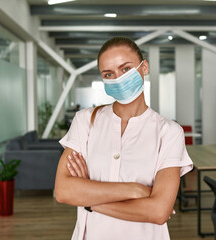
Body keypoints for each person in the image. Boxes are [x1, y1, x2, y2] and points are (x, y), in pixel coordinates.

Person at [54, 36, 193, 240]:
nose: (118, 78)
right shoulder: (85, 121)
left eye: (126, 69)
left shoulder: (169, 132)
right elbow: (64, 191)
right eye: (108, 74)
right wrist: (135, 190)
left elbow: (158, 211)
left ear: (144, 67)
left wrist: (88, 200)